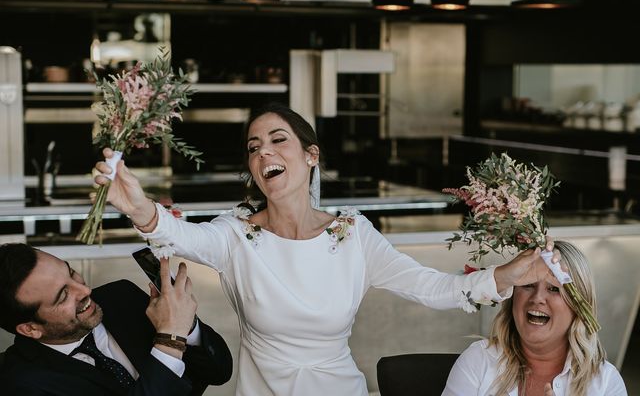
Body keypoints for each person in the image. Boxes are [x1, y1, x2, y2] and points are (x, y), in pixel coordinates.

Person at [94, 102, 560, 396]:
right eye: (254, 148)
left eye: (279, 141)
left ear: (310, 156)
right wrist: (139, 206)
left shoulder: (354, 233)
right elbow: (179, 235)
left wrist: (504, 277)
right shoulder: (235, 234)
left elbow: (431, 287)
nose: (264, 154)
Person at [0, 243, 233, 395]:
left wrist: (186, 324)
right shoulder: (20, 384)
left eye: (71, 273)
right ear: (30, 328)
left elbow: (219, 372)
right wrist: (170, 339)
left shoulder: (119, 296)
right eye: (63, 296)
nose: (84, 290)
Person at [442, 240, 628, 396]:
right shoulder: (478, 360)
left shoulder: (604, 382)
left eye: (554, 289)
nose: (537, 298)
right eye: (528, 285)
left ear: (578, 307)